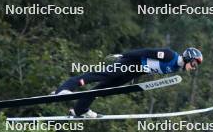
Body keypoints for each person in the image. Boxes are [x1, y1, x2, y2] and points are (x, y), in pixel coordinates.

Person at [55, 47, 203, 118]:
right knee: (102, 75)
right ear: (189, 57)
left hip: (134, 71)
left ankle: (80, 110)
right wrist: (123, 55)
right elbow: (146, 52)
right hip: (131, 62)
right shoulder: (170, 55)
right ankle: (64, 88)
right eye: (194, 64)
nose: (193, 68)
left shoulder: (175, 68)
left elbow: (150, 67)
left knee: (105, 89)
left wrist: (134, 76)